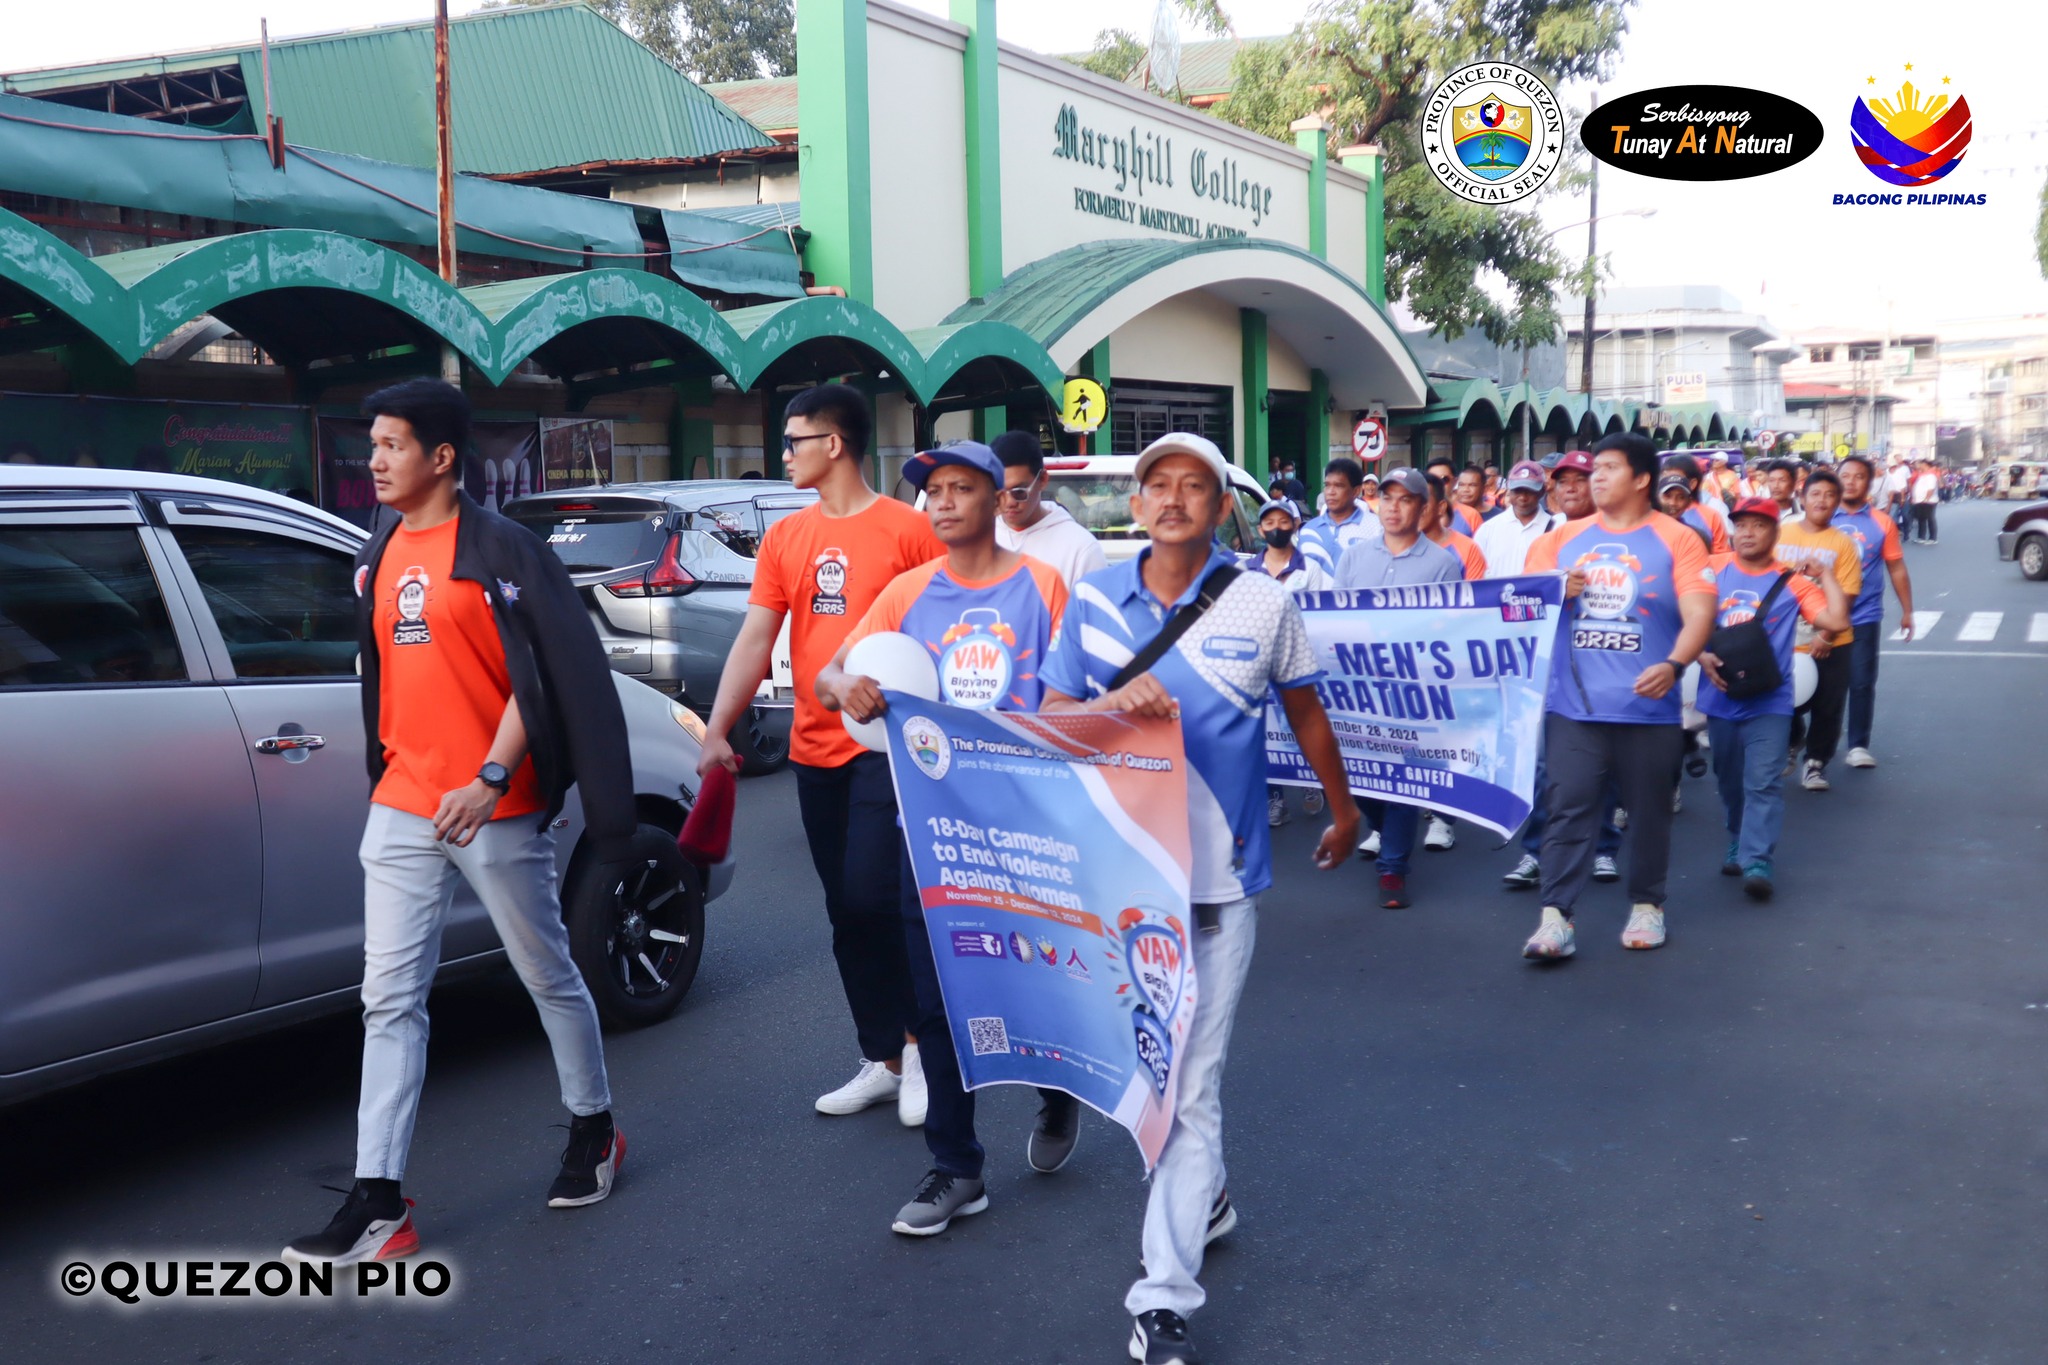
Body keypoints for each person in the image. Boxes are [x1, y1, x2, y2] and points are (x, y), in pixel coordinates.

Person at [285, 379, 633, 1265]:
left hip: (495, 808)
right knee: (388, 1001)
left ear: (441, 457)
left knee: (546, 972)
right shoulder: (383, 540)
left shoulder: (501, 547)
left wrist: (489, 775)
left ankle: (594, 1126)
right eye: (373, 443)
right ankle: (378, 1200)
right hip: (401, 800)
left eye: (392, 444)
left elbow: (543, 673)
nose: (374, 460)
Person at [1039, 432, 1360, 1365]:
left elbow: (1304, 709)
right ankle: (1206, 1198)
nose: (1174, 499)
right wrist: (1109, 708)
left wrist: (1341, 811)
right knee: (1149, 1079)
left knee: (1189, 1094)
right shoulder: (1094, 598)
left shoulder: (1265, 599)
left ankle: (1162, 1299)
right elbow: (1051, 716)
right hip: (1119, 893)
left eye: (1196, 486)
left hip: (1216, 893)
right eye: (1158, 485)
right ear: (1136, 503)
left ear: (1224, 506)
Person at [815, 440, 1070, 1238]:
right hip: (927, 829)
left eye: (964, 487)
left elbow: (1066, 699)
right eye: (935, 491)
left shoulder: (1044, 585)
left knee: (1025, 988)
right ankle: (958, 1166)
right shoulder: (906, 592)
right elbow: (831, 673)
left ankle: (1055, 1086)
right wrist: (845, 684)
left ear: (1000, 499)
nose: (946, 501)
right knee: (935, 1000)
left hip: (1021, 831)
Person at [695, 384, 943, 1125]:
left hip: (889, 749)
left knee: (878, 897)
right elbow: (754, 639)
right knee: (843, 909)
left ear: (833, 443)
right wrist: (717, 727)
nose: (785, 454)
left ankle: (922, 1045)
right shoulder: (787, 538)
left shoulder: (907, 529)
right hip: (814, 748)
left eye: (794, 439)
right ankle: (885, 1057)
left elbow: (942, 634)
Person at [1520, 433, 1716, 960]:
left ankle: (1648, 905)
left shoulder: (1679, 538)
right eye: (1593, 470)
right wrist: (1552, 588)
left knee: (1650, 812)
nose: (1596, 478)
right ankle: (1555, 918)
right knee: (1567, 807)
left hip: (1648, 710)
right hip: (1574, 708)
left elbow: (1701, 612)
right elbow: (1518, 603)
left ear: (1642, 478)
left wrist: (1675, 664)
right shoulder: (1560, 540)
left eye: (1608, 468)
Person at [1697, 499, 1849, 899]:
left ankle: (1757, 858)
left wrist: (1827, 575)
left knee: (1762, 782)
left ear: (1775, 533)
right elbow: (1681, 617)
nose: (1747, 532)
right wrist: (1699, 654)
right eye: (1741, 525)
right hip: (1720, 696)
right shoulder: (1712, 568)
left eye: (1758, 525)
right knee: (1729, 781)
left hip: (1770, 700)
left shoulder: (1792, 582)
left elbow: (1835, 623)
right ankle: (1737, 838)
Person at [1335, 468, 1464, 905]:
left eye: (1404, 499)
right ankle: (1383, 827)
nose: (1392, 507)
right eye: (1386, 498)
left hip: (1411, 693)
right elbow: (1332, 620)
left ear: (1423, 507)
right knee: (1360, 783)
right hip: (1357, 690)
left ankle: (1393, 870)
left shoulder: (1443, 563)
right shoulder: (1353, 557)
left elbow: (1453, 630)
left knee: (1404, 781)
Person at [1240, 497, 1329, 828]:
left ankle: (1310, 781)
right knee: (1263, 732)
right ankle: (1274, 797)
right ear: (1261, 528)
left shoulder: (1312, 569)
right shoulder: (1245, 571)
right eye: (1269, 523)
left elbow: (1324, 616)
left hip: (1301, 661)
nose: (1276, 528)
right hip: (1258, 665)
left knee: (1302, 725)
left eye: (1283, 522)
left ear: (1294, 525)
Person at [1775, 468, 1862, 791]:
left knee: (1828, 705)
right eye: (1815, 494)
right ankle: (1792, 741)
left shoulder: (1844, 544)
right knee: (1784, 702)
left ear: (1837, 502)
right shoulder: (1782, 533)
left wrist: (1827, 636)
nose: (1822, 500)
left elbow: (1849, 594)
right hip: (1786, 639)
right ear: (1802, 498)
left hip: (1833, 639)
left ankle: (1816, 763)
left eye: (1829, 495)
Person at [1831, 455, 1914, 769]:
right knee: (1818, 684)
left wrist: (1907, 611)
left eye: (1858, 477)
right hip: (1820, 615)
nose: (1850, 481)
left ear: (1870, 483)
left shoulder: (1882, 522)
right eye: (1845, 475)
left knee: (1862, 681)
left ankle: (1858, 745)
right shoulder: (1821, 517)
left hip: (1864, 614)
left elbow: (1896, 568)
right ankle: (1813, 747)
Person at [991, 429, 1108, 584]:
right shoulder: (978, 539)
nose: (1009, 501)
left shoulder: (1081, 549)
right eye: (999, 492)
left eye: (1019, 492)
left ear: (1043, 480)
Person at [1474, 460, 1562, 577]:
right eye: (1517, 491)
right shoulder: (1488, 529)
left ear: (1541, 491)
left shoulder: (1557, 527)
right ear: (1509, 490)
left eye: (1529, 491)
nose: (1523, 497)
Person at [1299, 456, 1379, 578]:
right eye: (1327, 485)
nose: (1331, 491)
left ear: (1356, 491)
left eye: (1339, 486)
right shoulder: (1308, 530)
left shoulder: (1376, 527)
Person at [1422, 472, 1488, 581]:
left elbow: (1476, 594)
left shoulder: (1468, 548)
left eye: (1423, 502)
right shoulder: (1391, 548)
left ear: (1441, 508)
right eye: (1408, 501)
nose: (1415, 509)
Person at [1660, 456, 1731, 551]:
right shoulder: (1647, 515)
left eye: (1680, 497)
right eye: (1665, 479)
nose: (1672, 503)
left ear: (1692, 484)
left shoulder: (1712, 512)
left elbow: (1721, 556)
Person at [1425, 453, 1484, 533]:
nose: (1438, 484)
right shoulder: (1419, 514)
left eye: (1444, 479)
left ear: (1455, 481)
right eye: (1432, 479)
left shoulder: (1471, 515)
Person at [1547, 449, 1595, 521]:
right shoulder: (1551, 525)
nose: (1570, 488)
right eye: (1563, 481)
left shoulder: (1613, 527)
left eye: (1580, 480)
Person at [1909, 458, 1940, 544]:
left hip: (1929, 501)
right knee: (1921, 519)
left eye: (1921, 464)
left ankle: (1933, 538)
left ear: (1925, 465)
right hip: (1919, 500)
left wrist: (1926, 498)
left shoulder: (1931, 476)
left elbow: (1931, 489)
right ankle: (1921, 537)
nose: (1919, 466)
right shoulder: (1922, 475)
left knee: (1930, 518)